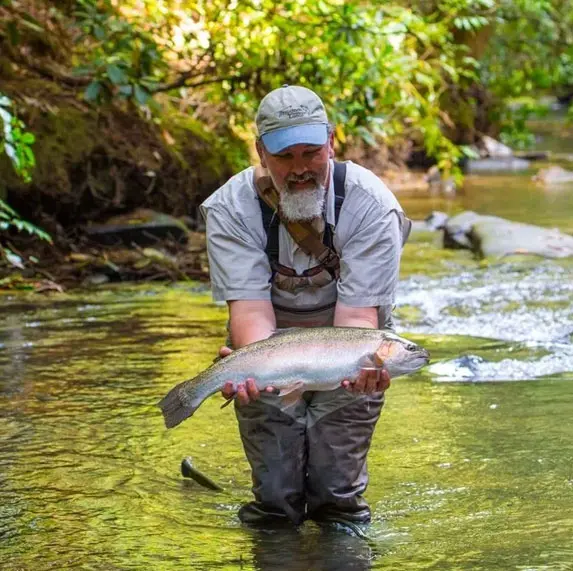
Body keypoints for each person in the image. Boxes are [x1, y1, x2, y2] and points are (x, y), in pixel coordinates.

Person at [200, 84, 410, 532]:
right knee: (276, 502)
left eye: (311, 153)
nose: (300, 169)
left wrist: (363, 368)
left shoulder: (372, 207)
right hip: (268, 344)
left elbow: (356, 320)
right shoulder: (230, 209)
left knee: (337, 501)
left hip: (347, 339)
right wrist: (251, 368)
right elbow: (251, 314)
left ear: (332, 143)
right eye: (284, 156)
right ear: (260, 152)